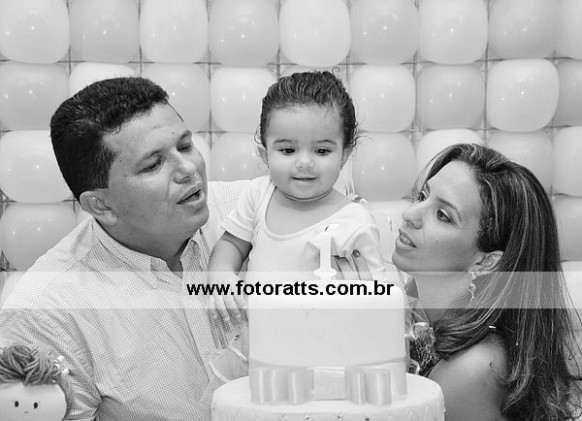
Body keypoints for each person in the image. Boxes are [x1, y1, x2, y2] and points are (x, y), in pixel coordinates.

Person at [0, 77, 250, 420]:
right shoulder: (47, 312)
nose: (189, 169)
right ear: (101, 205)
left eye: (185, 145)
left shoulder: (259, 214)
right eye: (153, 165)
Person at [392, 143, 582, 420]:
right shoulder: (415, 301)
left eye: (442, 215)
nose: (409, 214)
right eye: (423, 195)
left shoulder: (473, 368)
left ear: (486, 262)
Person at [208, 71, 389, 321]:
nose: (304, 162)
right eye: (288, 150)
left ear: (345, 155)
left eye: (322, 150)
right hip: (259, 337)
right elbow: (232, 243)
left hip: (324, 338)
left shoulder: (354, 222)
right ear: (265, 154)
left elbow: (377, 301)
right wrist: (222, 276)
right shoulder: (258, 194)